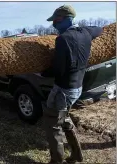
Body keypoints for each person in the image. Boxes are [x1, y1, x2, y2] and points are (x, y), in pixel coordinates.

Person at [41, 4, 103, 164]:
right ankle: (76, 155)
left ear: (62, 19)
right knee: (65, 118)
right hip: (77, 88)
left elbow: (59, 69)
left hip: (63, 89)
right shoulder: (86, 32)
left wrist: (43, 72)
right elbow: (99, 29)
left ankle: (57, 161)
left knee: (52, 124)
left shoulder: (63, 39)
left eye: (55, 21)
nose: (53, 24)